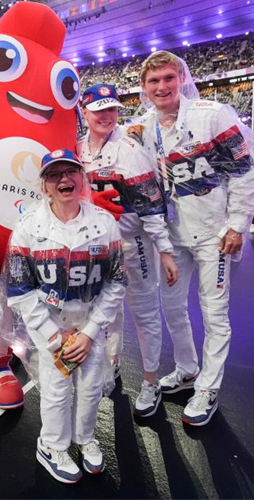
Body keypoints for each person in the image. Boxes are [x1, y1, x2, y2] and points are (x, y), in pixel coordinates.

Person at [129, 50, 254, 426]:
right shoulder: (141, 128)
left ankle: (208, 387)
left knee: (214, 313)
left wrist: (237, 223)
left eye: (168, 78)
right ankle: (188, 369)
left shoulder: (212, 114)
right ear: (143, 87)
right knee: (172, 309)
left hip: (212, 236)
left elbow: (244, 170)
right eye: (153, 81)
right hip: (171, 240)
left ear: (181, 79)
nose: (162, 87)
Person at [6, 149, 126, 483]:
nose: (64, 180)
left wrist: (89, 332)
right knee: (57, 391)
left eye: (70, 172)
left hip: (91, 325)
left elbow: (117, 282)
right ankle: (52, 446)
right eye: (54, 175)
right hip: (52, 330)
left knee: (90, 388)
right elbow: (19, 290)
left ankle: (85, 439)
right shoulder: (27, 229)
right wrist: (52, 336)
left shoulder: (104, 224)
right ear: (44, 187)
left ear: (82, 178)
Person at [77, 83, 178, 417]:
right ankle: (112, 362)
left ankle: (150, 380)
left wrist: (164, 249)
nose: (107, 116)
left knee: (144, 312)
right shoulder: (78, 149)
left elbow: (150, 205)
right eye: (99, 109)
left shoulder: (129, 149)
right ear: (84, 111)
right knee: (105, 311)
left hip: (132, 243)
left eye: (112, 109)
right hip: (97, 245)